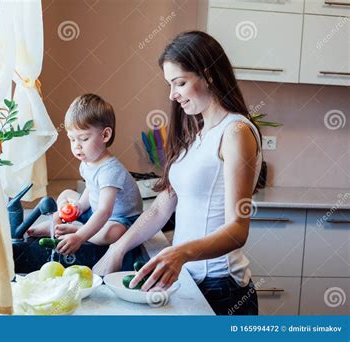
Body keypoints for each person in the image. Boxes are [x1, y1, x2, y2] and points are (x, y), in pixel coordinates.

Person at [93, 31, 262, 315]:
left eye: (179, 83)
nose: (173, 95)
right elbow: (161, 209)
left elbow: (237, 230)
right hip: (189, 281)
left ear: (208, 75)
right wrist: (117, 248)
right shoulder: (197, 135)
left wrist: (179, 252)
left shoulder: (236, 132)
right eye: (170, 85)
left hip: (223, 288)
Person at [27, 94, 143, 255]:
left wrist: (80, 236)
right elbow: (91, 187)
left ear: (105, 135)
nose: (76, 146)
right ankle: (58, 224)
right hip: (94, 211)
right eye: (72, 139)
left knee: (111, 233)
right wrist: (80, 206)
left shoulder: (110, 171)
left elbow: (105, 211)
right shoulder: (87, 162)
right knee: (66, 194)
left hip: (120, 219)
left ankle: (75, 230)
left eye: (83, 138)